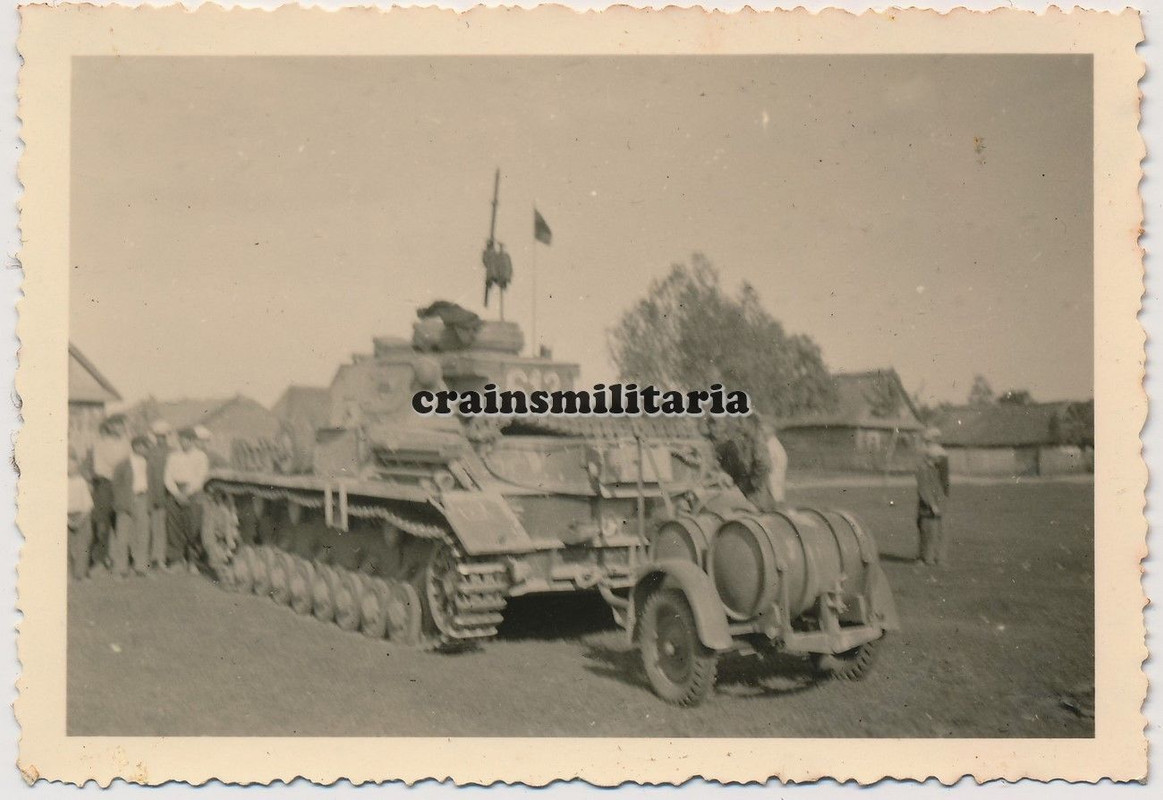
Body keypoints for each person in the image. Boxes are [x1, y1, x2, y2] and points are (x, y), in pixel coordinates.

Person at [164, 427, 210, 574]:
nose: (184, 443)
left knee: (193, 527)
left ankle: (192, 562)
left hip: (193, 493)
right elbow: (168, 477)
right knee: (174, 527)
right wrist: (176, 493)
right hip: (175, 492)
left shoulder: (201, 456)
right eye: (181, 439)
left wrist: (187, 493)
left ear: (193, 441)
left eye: (187, 440)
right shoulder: (173, 456)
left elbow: (200, 477)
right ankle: (177, 561)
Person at [88, 414, 130, 573]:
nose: (120, 428)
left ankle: (121, 561)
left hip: (122, 486)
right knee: (102, 523)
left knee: (122, 523)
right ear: (110, 426)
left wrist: (120, 475)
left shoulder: (126, 443)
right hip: (105, 484)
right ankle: (99, 560)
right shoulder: (100, 444)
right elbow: (100, 468)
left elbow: (128, 464)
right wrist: (116, 472)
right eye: (116, 425)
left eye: (121, 425)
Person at [111, 436, 152, 578]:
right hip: (126, 501)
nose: (147, 449)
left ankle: (141, 567)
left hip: (143, 498)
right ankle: (121, 568)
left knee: (143, 534)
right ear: (136, 446)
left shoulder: (148, 462)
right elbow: (116, 485)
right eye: (144, 446)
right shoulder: (123, 464)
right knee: (123, 536)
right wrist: (122, 502)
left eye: (147, 447)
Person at [916, 427, 951, 566]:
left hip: (937, 504)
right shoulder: (923, 470)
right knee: (927, 532)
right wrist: (932, 505)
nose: (940, 460)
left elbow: (941, 487)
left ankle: (937, 558)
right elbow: (923, 489)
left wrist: (941, 503)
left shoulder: (934, 470)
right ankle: (925, 559)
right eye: (937, 458)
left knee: (938, 532)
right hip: (928, 506)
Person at [146, 420, 173, 571]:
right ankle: (152, 557)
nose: (160, 439)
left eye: (163, 436)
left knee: (163, 528)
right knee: (152, 526)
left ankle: (161, 558)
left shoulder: (172, 452)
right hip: (152, 494)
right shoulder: (150, 452)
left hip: (167, 494)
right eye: (158, 436)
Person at [67, 453, 94, 581]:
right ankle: (68, 574)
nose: (70, 468)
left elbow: (88, 504)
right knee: (65, 546)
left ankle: (81, 573)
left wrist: (80, 520)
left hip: (82, 515)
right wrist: (68, 521)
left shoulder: (81, 482)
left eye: (73, 465)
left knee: (83, 546)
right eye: (67, 465)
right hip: (65, 517)